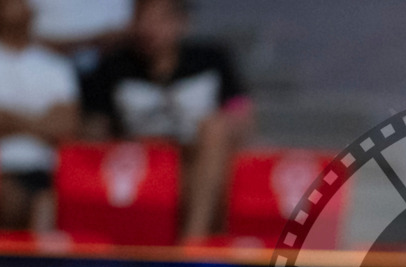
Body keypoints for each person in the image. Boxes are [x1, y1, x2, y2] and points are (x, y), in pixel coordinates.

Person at [80, 0, 252, 242]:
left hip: (199, 158)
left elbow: (242, 115)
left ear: (182, 23)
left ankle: (193, 241)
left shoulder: (211, 59)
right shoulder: (114, 67)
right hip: (143, 164)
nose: (148, 29)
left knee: (215, 128)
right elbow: (94, 129)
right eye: (142, 19)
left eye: (160, 20)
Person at [0, 0, 80, 232]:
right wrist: (41, 121)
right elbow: (52, 124)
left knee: (48, 201)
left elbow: (66, 126)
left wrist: (10, 119)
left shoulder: (55, 65)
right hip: (5, 169)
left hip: (47, 170)